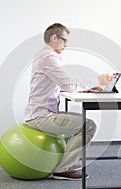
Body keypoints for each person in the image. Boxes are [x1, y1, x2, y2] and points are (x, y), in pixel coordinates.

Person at [24, 23, 112, 180]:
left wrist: (86, 89)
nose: (66, 45)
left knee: (77, 120)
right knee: (88, 125)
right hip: (40, 117)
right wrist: (96, 81)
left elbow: (62, 86)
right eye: (64, 40)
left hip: (39, 113)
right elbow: (69, 85)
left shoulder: (45, 56)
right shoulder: (48, 58)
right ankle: (63, 169)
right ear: (54, 38)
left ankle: (65, 162)